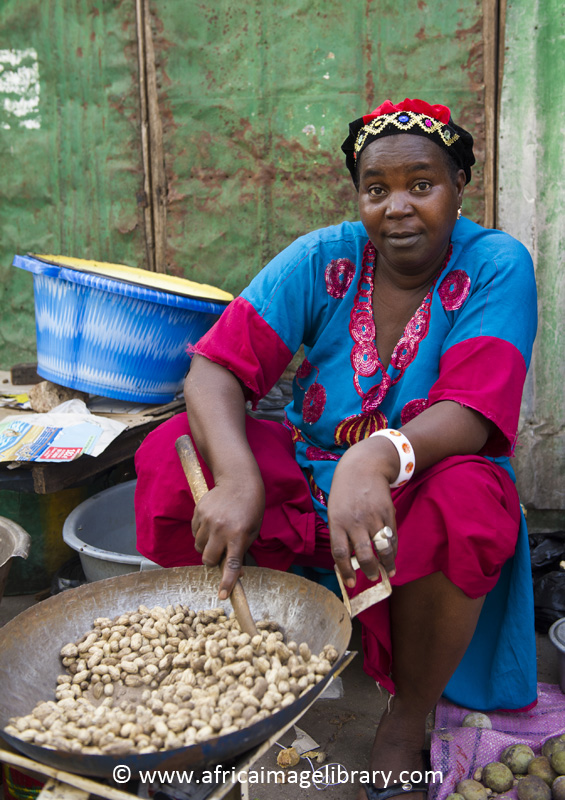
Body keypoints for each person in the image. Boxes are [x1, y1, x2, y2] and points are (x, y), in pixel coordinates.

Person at [135, 97, 538, 800]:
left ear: (459, 188)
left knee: (472, 494)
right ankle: (235, 678)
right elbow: (216, 367)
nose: (398, 208)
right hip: (306, 479)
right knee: (175, 453)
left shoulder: (496, 265)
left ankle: (407, 713)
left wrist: (376, 458)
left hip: (415, 484)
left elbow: (472, 412)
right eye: (375, 190)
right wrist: (236, 476)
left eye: (422, 184)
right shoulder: (324, 256)